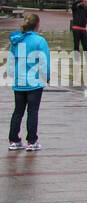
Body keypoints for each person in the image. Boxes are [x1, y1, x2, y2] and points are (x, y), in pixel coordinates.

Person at [8, 14, 49, 151]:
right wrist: (46, 77)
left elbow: (11, 61)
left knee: (18, 111)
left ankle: (14, 140)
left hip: (19, 82)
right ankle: (32, 141)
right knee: (33, 111)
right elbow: (44, 61)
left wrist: (13, 75)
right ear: (37, 24)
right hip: (34, 82)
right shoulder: (39, 41)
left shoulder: (16, 40)